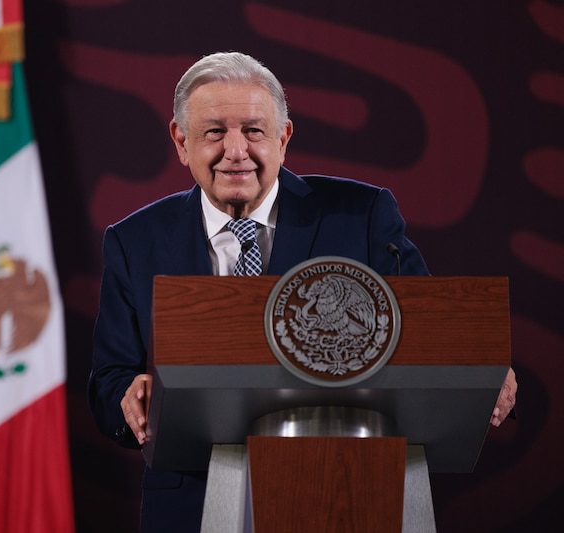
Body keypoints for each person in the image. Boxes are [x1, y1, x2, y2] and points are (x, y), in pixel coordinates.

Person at [87, 51, 517, 532]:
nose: (236, 150)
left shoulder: (361, 215)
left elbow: (428, 328)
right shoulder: (135, 241)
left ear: (283, 138)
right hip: (194, 503)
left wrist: (475, 363)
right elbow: (108, 381)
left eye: (253, 130)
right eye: (214, 132)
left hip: (348, 490)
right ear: (181, 141)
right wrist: (130, 394)